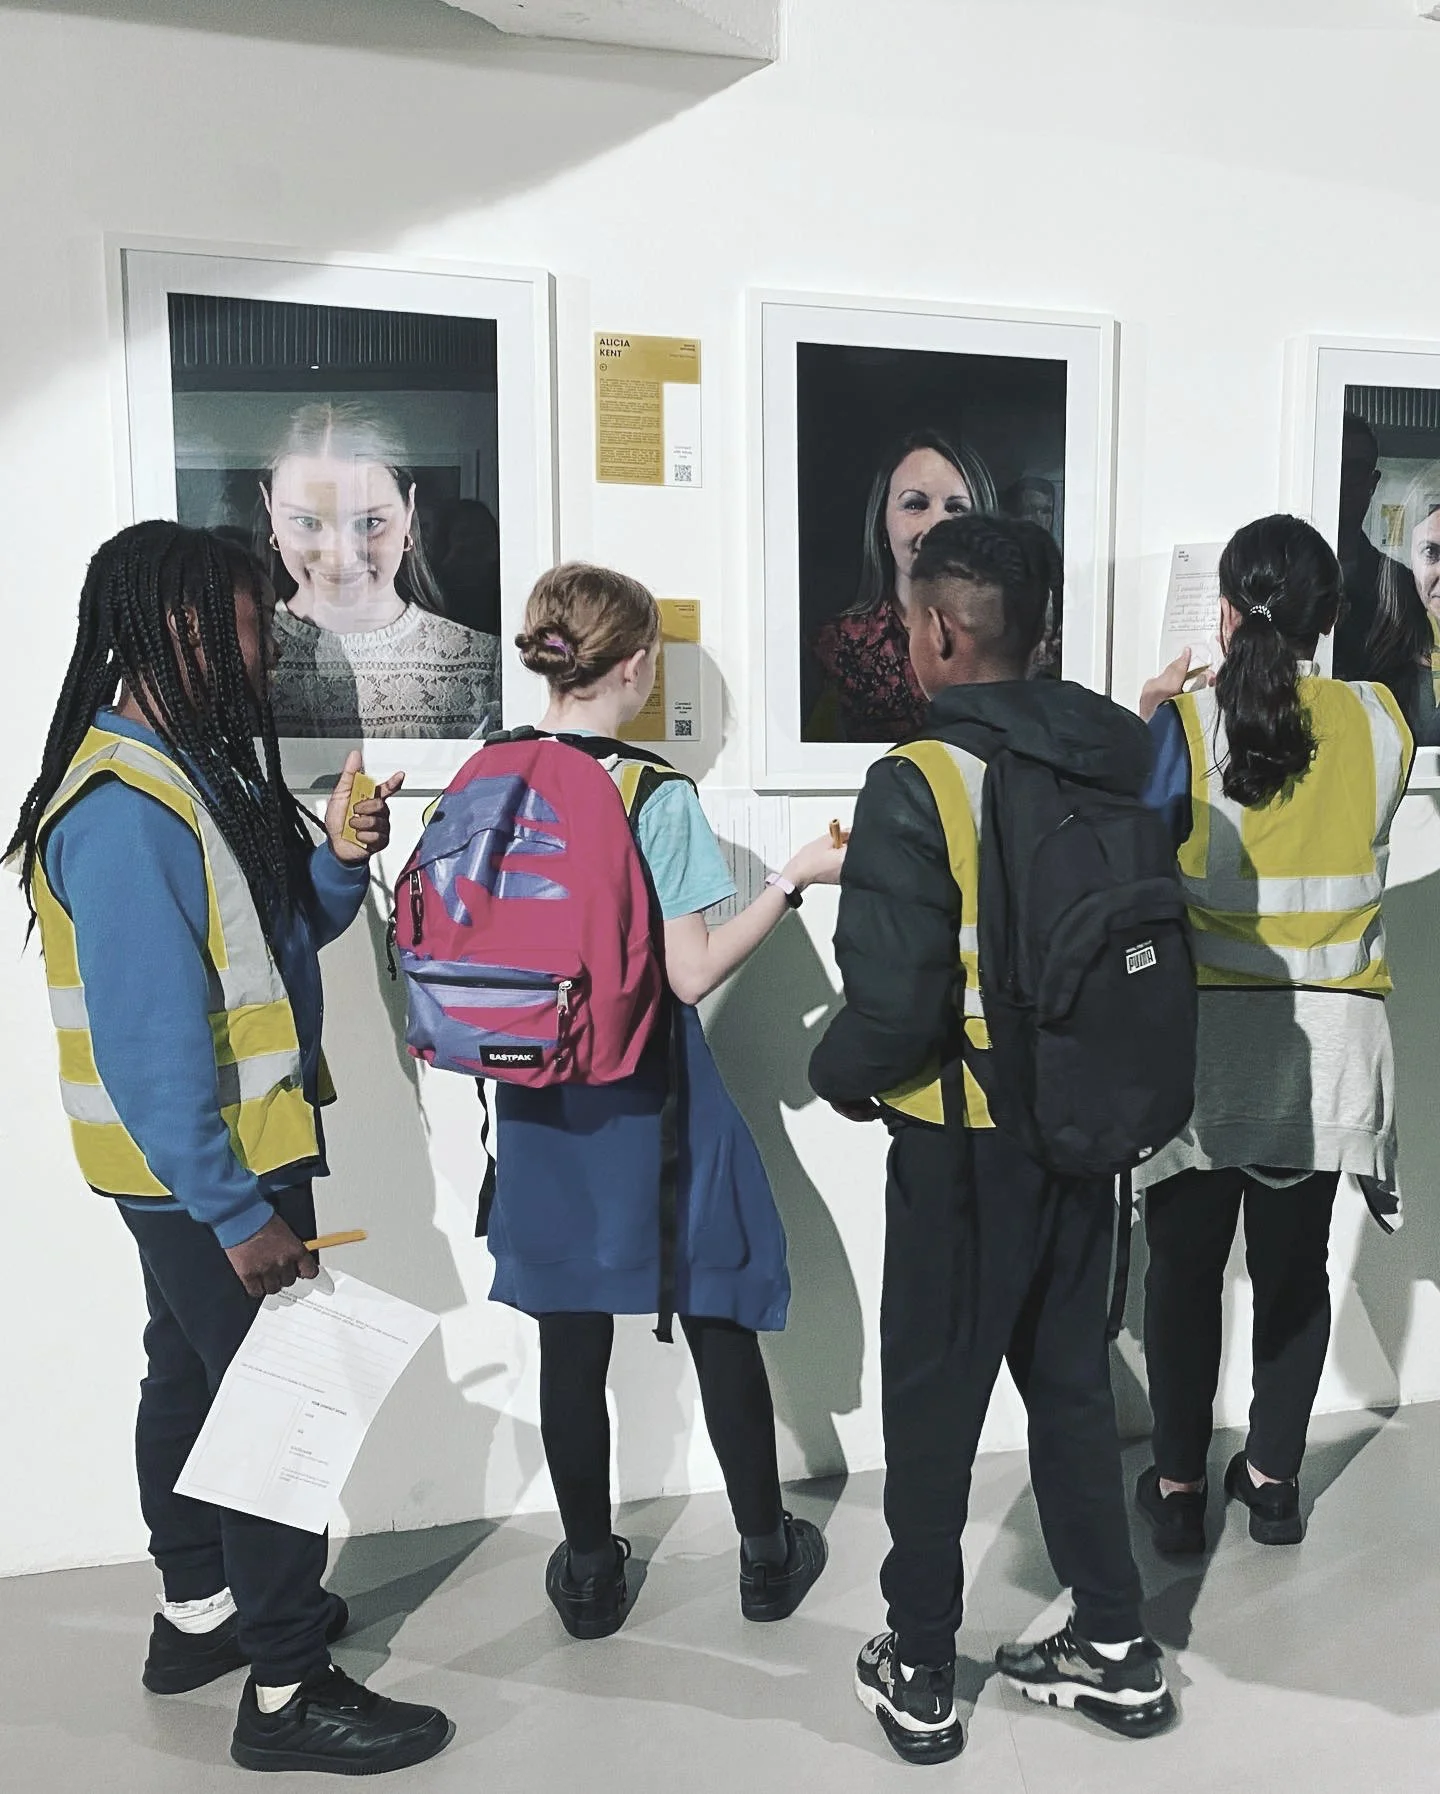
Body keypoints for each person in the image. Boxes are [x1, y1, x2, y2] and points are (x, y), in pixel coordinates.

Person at [5, 522, 453, 1776]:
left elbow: (280, 938)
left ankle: (198, 1610)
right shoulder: (125, 810)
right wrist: (237, 1210)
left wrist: (341, 859)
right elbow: (152, 1050)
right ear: (184, 632)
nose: (270, 648)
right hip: (215, 1176)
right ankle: (289, 1686)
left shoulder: (189, 775)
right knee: (284, 1406)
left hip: (204, 1171)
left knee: (192, 1376)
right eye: (255, 624)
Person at [809, 514, 1175, 1766]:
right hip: (1086, 1128)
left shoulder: (919, 777)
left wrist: (830, 1074)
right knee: (1069, 1383)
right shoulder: (1114, 753)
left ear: (939, 631)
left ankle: (920, 1667)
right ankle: (1115, 1644)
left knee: (934, 1407)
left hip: (962, 1147)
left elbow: (895, 1005)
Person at [489, 563, 839, 1640]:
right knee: (716, 1308)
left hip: (535, 1098)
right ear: (636, 667)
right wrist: (789, 882)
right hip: (650, 1095)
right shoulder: (655, 794)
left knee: (568, 1337)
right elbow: (689, 977)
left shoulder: (494, 772)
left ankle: (591, 1576)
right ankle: (765, 1556)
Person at [1133, 514, 1412, 1558]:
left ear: (1223, 611)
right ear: (1329, 619)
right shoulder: (1382, 722)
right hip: (1328, 1056)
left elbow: (1138, 853)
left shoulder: (1184, 727)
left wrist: (1151, 718)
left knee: (1182, 1278)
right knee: (1294, 1276)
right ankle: (1275, 1483)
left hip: (1204, 1053)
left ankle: (1175, 1489)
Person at [259, 403, 501, 739]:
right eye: (307, 522)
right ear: (270, 507)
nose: (339, 556)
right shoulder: (237, 658)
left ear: (408, 508)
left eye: (369, 523)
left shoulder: (483, 663)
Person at [808, 428, 998, 743]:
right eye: (915, 504)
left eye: (956, 508)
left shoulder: (1008, 642)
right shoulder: (834, 647)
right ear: (882, 523)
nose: (936, 525)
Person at [1331, 413, 1429, 733]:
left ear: (1372, 484)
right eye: (1338, 466)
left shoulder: (1402, 586)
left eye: (1356, 469)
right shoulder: (1288, 576)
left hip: (1380, 740)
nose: (1344, 481)